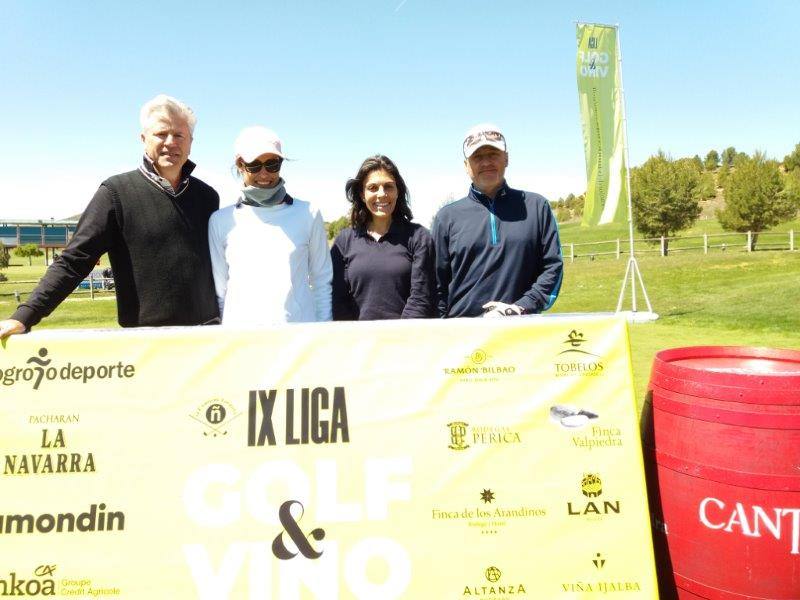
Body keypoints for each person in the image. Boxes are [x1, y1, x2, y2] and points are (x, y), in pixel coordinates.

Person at [0, 94, 220, 338]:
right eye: (161, 134)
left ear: (191, 141)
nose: (171, 142)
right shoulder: (116, 193)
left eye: (179, 135)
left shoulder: (208, 197)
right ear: (143, 138)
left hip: (206, 339)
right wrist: (25, 315)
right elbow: (75, 261)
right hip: (146, 343)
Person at [431, 123, 563, 318]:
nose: (486, 162)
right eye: (477, 156)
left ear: (506, 158)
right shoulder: (447, 217)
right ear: (466, 165)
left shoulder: (537, 207)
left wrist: (519, 308)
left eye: (493, 154)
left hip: (522, 330)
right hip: (462, 334)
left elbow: (552, 268)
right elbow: (436, 286)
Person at [208, 126, 332, 325]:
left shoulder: (309, 213)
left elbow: (322, 280)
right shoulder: (220, 221)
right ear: (240, 164)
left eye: (272, 164)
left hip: (298, 338)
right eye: (254, 165)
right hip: (241, 340)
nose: (264, 173)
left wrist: (324, 329)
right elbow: (221, 290)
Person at [331, 155, 435, 320]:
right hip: (358, 342)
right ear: (362, 194)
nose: (381, 194)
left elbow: (421, 299)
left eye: (388, 186)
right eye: (372, 188)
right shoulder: (344, 242)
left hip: (406, 340)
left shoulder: (419, 237)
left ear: (397, 191)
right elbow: (338, 300)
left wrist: (395, 339)